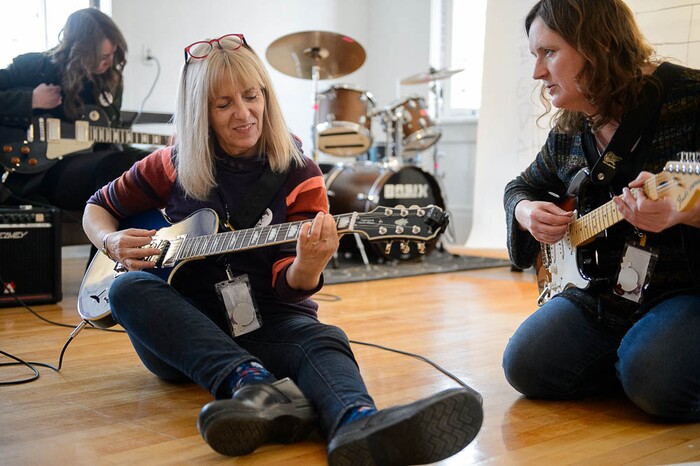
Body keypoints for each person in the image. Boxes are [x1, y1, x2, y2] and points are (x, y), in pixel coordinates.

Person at [81, 33, 483, 463]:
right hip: (185, 336)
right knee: (127, 290)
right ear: (200, 114)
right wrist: (111, 240)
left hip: (268, 319)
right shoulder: (172, 164)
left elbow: (292, 288)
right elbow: (97, 208)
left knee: (323, 339)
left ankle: (357, 424)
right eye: (224, 105)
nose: (244, 114)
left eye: (252, 96)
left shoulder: (299, 173)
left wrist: (309, 263)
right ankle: (254, 384)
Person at [503, 0, 700, 421]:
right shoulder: (572, 126)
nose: (538, 73)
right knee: (525, 365)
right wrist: (526, 212)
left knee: (655, 378)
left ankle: (647, 365)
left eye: (549, 53)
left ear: (596, 46)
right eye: (535, 56)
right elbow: (520, 187)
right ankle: (639, 362)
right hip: (606, 294)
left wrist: (683, 212)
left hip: (687, 291)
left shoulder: (691, 98)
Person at [0, 8, 147, 210]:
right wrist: (30, 100)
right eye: (102, 56)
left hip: (95, 166)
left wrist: (161, 152)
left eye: (112, 54)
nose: (109, 62)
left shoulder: (109, 81)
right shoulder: (35, 67)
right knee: (115, 165)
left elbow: (112, 139)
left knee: (143, 164)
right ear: (80, 51)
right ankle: (109, 241)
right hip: (40, 173)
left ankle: (117, 240)